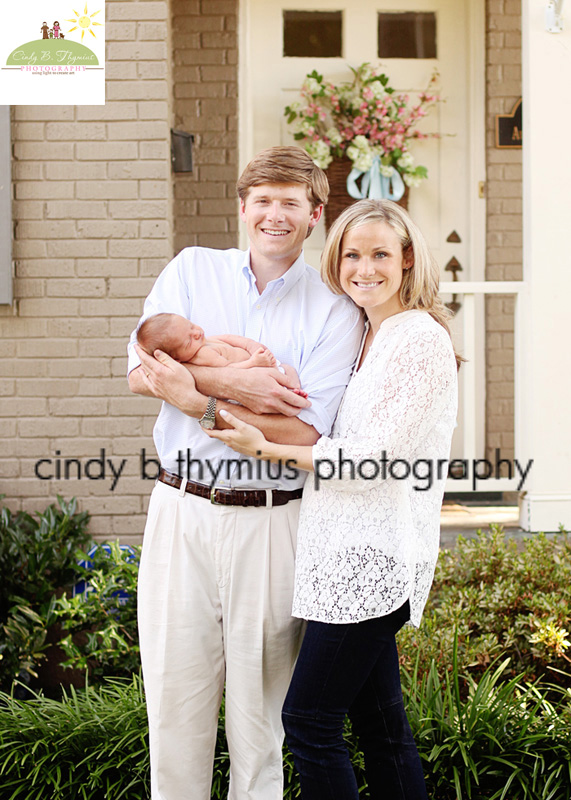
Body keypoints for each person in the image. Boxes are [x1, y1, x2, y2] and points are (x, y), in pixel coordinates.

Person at [127, 146, 363, 800]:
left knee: (261, 721)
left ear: (314, 215)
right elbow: (141, 371)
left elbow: (307, 431)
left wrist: (199, 397)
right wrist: (233, 382)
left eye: (290, 202)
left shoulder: (332, 310)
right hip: (182, 511)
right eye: (262, 200)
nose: (274, 214)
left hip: (272, 519)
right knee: (174, 702)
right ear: (242, 208)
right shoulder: (190, 273)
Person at [207, 198, 459, 799]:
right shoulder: (367, 335)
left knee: (309, 722)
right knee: (381, 728)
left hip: (371, 561)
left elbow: (374, 459)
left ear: (406, 261)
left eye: (380, 254)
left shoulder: (418, 339)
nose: (364, 268)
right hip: (334, 554)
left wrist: (265, 448)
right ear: (336, 260)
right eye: (352, 254)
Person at [136, 312, 307, 396]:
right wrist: (254, 362)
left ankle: (295, 388)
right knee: (278, 379)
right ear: (176, 359)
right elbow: (230, 370)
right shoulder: (202, 356)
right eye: (189, 340)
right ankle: (292, 392)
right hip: (252, 374)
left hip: (260, 363)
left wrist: (251, 346)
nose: (196, 333)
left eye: (191, 325)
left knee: (288, 369)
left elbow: (231, 339)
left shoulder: (205, 340)